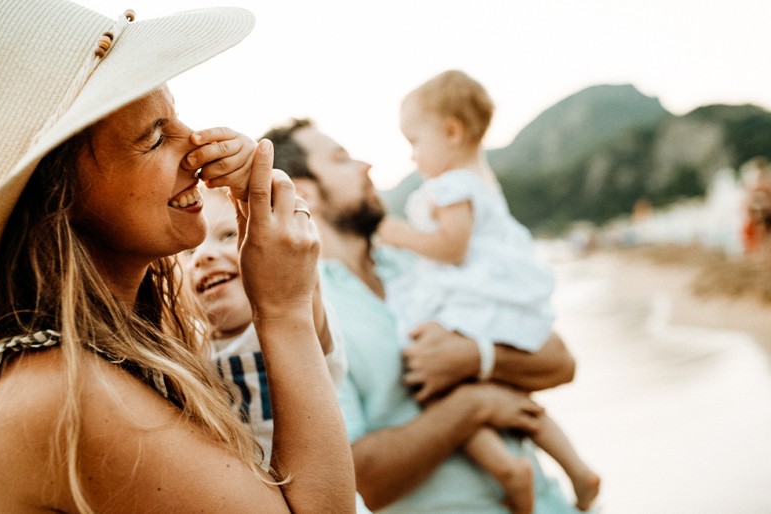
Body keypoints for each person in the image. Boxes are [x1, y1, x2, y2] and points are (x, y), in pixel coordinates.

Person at [0, 1, 356, 512]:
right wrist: (283, 310)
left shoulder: (112, 349)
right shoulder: (64, 392)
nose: (194, 146)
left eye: (174, 117)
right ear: (62, 198)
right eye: (153, 137)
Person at [264, 118, 581, 514]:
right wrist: (472, 405)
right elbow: (355, 482)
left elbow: (560, 361)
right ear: (304, 190)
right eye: (342, 159)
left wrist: (477, 356)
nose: (366, 166)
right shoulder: (306, 312)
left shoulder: (425, 261)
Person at [374, 70, 600, 512]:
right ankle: (577, 470)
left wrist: (399, 234)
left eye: (415, 141)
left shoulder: (452, 185)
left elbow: (452, 248)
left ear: (452, 132)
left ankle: (507, 470)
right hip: (490, 299)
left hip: (467, 301)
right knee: (514, 396)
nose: (412, 155)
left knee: (436, 391)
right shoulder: (481, 178)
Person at [183, 187, 373, 513]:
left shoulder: (294, 317)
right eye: (188, 252)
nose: (203, 256)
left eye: (228, 235)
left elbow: (297, 264)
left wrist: (250, 179)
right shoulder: (190, 348)